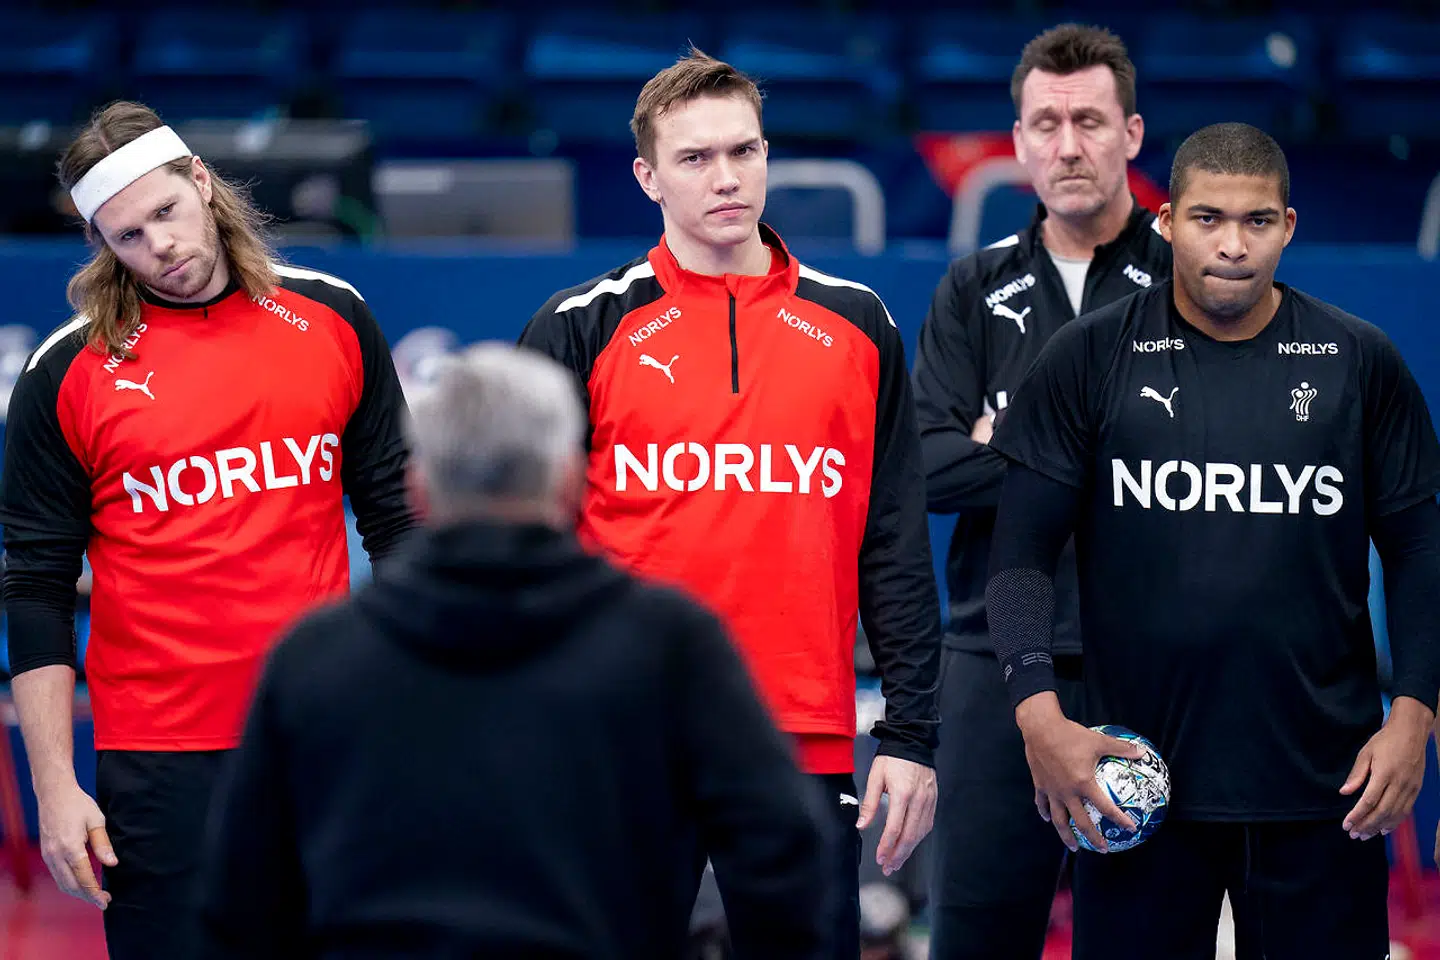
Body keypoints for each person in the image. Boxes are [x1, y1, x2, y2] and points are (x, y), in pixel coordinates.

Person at [196, 343, 834, 959]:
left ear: (418, 489)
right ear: (569, 480)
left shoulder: (315, 658)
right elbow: (778, 851)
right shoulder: (669, 645)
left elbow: (243, 900)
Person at [518, 48, 940, 958]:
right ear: (647, 177)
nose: (727, 178)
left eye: (743, 152)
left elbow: (894, 542)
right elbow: (517, 552)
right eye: (695, 158)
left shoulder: (858, 325)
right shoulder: (580, 325)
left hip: (802, 736)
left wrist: (912, 734)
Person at [986, 121, 1440, 958]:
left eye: (1257, 221)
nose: (1232, 245)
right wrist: (1038, 716)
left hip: (1325, 787)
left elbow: (1422, 551)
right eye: (1206, 219)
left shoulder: (1358, 362)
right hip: (1133, 785)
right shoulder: (1088, 357)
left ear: (1289, 226)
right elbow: (1018, 560)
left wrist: (1414, 715)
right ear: (1168, 223)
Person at [0, 101, 413, 959]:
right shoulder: (66, 373)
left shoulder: (335, 318)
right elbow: (35, 586)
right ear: (99, 244)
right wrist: (55, 785)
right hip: (159, 761)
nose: (161, 248)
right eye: (126, 237)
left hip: (324, 741)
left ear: (202, 183)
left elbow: (400, 528)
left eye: (166, 214)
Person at [910, 24, 1171, 958]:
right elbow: (928, 469)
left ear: (1132, 135)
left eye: (1091, 121)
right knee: (977, 934)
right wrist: (1105, 461)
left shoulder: (1186, 283)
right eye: (1046, 123)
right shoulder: (972, 291)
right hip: (988, 656)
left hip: (1150, 658)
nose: (1069, 145)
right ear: (1016, 142)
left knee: (1145, 937)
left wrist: (1009, 440)